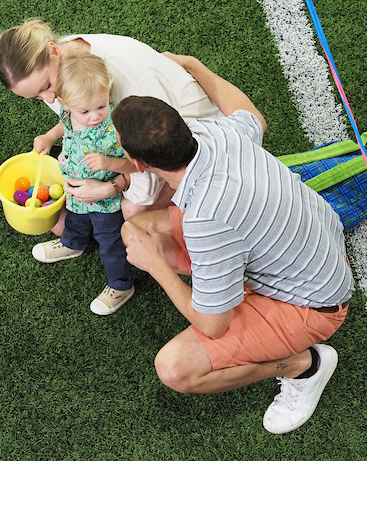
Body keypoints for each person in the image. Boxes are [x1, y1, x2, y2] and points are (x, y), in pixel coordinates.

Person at [114, 53, 354, 434]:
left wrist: (155, 266)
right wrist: (196, 66)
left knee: (174, 368)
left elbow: (212, 325)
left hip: (313, 304)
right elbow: (250, 113)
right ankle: (234, 284)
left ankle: (304, 367)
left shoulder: (206, 221)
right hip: (314, 246)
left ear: (139, 163)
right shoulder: (217, 134)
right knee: (137, 230)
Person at [0, 20, 224, 246]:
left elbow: (156, 150)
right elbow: (78, 124)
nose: (50, 99)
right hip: (127, 146)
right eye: (37, 96)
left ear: (53, 50)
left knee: (131, 215)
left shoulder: (128, 80)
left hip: (188, 148)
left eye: (45, 87)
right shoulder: (60, 67)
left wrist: (112, 187)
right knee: (58, 220)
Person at [38, 52, 135, 315]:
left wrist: (108, 164)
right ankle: (72, 244)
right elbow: (64, 126)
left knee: (110, 242)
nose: (94, 116)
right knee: (75, 221)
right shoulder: (70, 115)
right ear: (66, 105)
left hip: (106, 202)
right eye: (85, 111)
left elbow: (135, 166)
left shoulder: (115, 128)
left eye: (101, 106)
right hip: (76, 192)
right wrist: (48, 137)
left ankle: (121, 284)